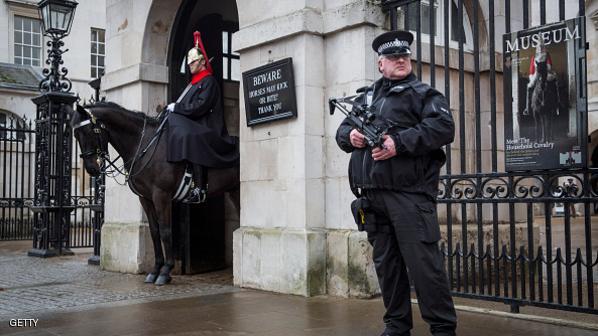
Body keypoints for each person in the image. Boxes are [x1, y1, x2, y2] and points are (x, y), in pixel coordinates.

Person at [335, 30, 457, 336]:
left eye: (404, 55)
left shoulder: (424, 94)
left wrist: (398, 143)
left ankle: (443, 329)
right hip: (372, 197)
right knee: (387, 267)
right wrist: (350, 136)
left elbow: (443, 127)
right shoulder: (365, 97)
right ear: (380, 64)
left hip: (409, 196)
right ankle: (396, 325)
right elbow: (341, 132)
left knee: (424, 267)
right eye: (392, 57)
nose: (400, 59)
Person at [165, 31, 239, 203]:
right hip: (195, 123)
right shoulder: (194, 82)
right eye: (189, 62)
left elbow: (200, 106)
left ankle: (200, 187)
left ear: (202, 62)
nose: (190, 65)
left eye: (193, 62)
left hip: (208, 127)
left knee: (190, 136)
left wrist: (178, 107)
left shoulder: (209, 82)